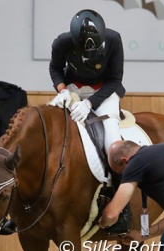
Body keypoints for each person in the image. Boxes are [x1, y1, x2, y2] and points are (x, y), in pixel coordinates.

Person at [48, 9, 126, 155]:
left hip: (105, 92)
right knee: (50, 124)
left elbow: (115, 79)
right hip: (72, 88)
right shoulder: (62, 42)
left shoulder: (113, 39)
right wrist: (63, 90)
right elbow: (55, 68)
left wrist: (89, 103)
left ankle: (118, 175)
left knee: (113, 144)